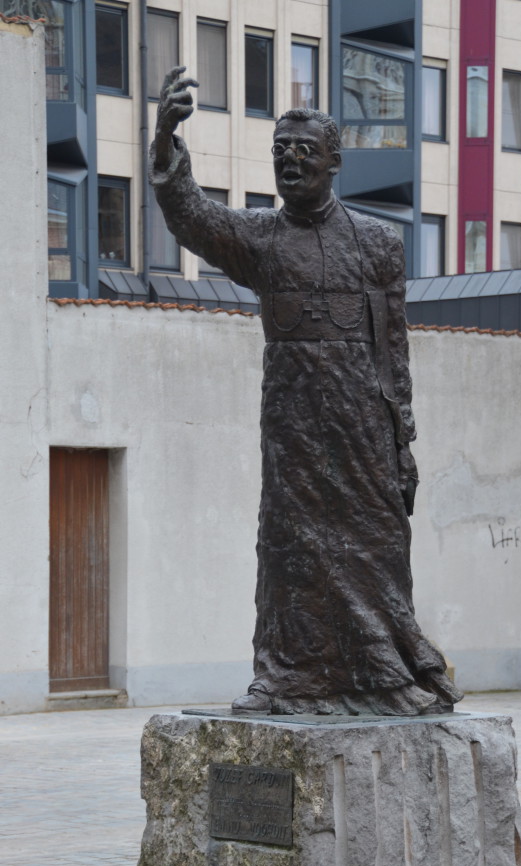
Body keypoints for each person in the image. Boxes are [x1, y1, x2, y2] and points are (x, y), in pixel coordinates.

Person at [150, 67, 463, 715]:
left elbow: (392, 353)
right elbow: (191, 215)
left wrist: (402, 445)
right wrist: (164, 138)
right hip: (293, 433)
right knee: (291, 550)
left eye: (305, 153)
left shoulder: (378, 244)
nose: (290, 163)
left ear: (334, 163)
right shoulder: (260, 240)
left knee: (375, 552)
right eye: (280, 154)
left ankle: (385, 674)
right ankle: (286, 676)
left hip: (361, 434)